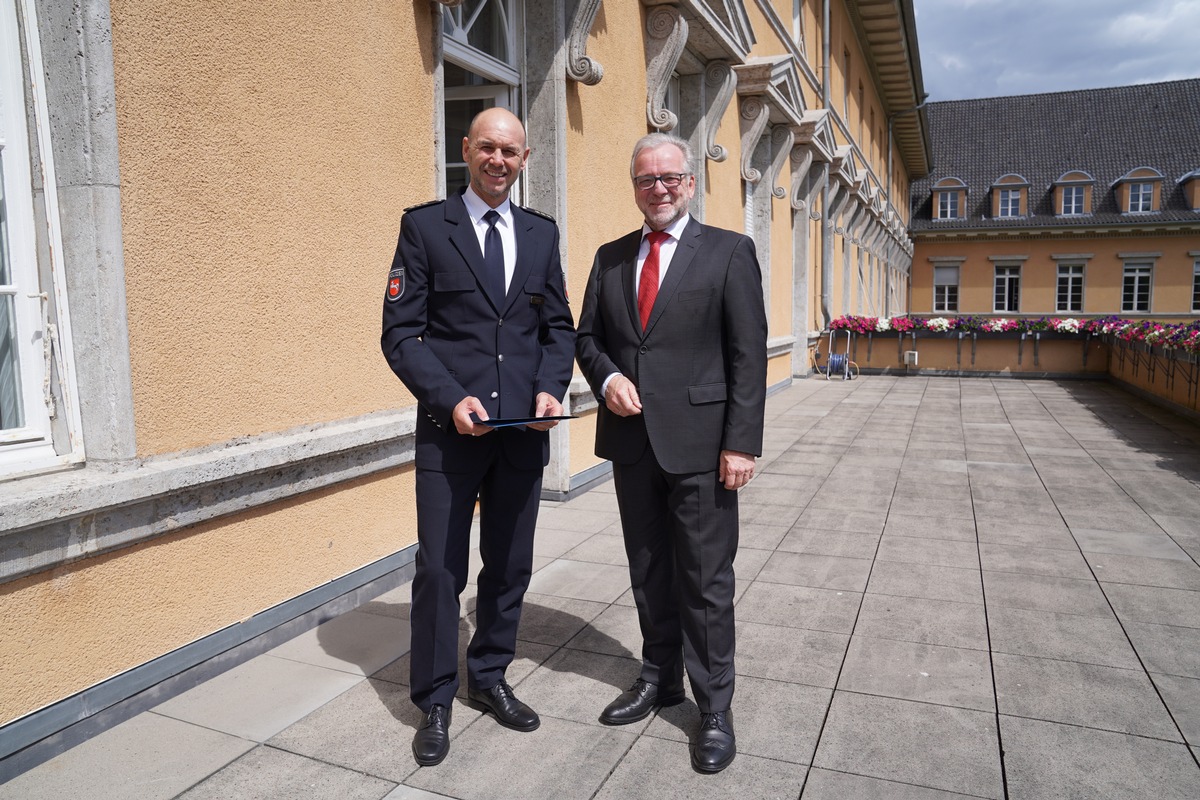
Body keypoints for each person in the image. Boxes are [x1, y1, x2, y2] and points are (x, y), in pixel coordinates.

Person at [381, 107, 575, 767]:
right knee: (440, 569)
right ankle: (435, 699)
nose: (498, 160)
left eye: (511, 151)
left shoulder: (542, 236)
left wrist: (553, 386)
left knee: (509, 565)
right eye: (487, 147)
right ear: (467, 149)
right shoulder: (425, 227)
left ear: (524, 159)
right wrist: (447, 397)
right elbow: (400, 333)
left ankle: (489, 676)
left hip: (522, 432)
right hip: (449, 432)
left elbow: (559, 329)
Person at [575, 132, 767, 773]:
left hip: (704, 448)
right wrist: (605, 378)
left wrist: (741, 442)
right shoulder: (609, 257)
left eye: (668, 178)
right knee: (648, 570)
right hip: (633, 447)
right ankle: (659, 677)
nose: (656, 189)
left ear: (689, 183)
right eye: (644, 179)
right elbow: (588, 337)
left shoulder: (730, 253)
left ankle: (714, 707)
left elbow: (747, 356)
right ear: (633, 186)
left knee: (706, 583)